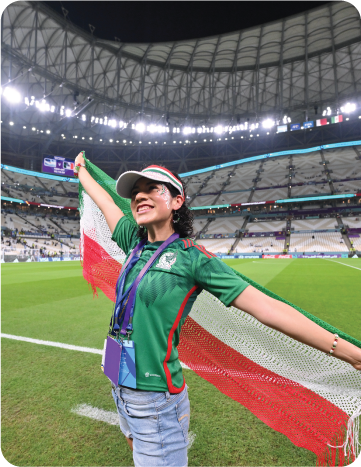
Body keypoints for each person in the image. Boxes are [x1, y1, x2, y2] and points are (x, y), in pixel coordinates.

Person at [74, 152, 361, 467]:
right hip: (119, 377)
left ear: (176, 201)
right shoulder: (134, 242)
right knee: (132, 439)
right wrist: (82, 171)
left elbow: (266, 308)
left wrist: (345, 350)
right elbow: (105, 202)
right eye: (136, 191)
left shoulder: (193, 258)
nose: (140, 195)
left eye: (153, 189)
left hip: (154, 396)